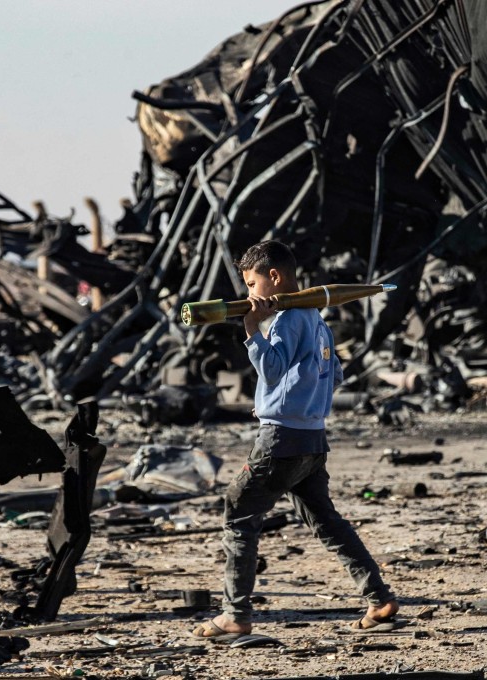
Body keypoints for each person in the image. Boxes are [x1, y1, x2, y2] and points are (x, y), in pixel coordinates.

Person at [191, 240, 399, 640]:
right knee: (326, 521)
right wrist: (281, 403)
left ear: (274, 277)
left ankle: (235, 614)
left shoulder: (286, 319)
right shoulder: (317, 319)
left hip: (280, 442)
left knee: (238, 513)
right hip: (312, 441)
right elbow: (331, 375)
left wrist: (252, 327)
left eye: (253, 284)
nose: (250, 294)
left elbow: (271, 369)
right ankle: (378, 597)